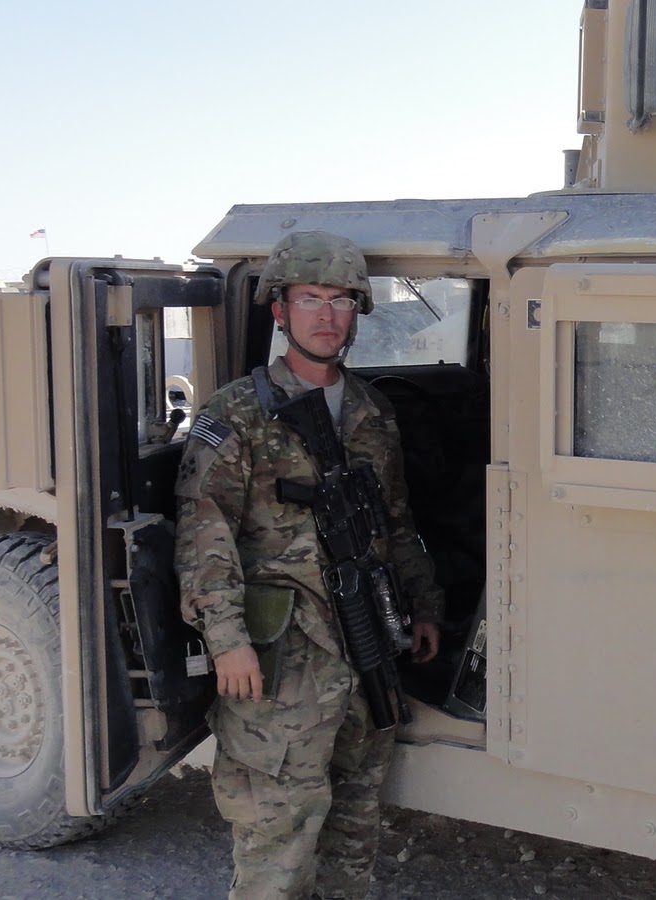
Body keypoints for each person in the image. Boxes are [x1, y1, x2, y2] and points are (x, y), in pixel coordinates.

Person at [174, 230, 443, 899]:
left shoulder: (372, 412)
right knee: (277, 842)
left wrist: (423, 605)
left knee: (353, 830)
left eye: (341, 301)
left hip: (366, 646)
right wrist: (227, 639)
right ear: (280, 310)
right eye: (311, 299)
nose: (327, 315)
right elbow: (203, 532)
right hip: (282, 660)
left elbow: (395, 522)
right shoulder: (237, 412)